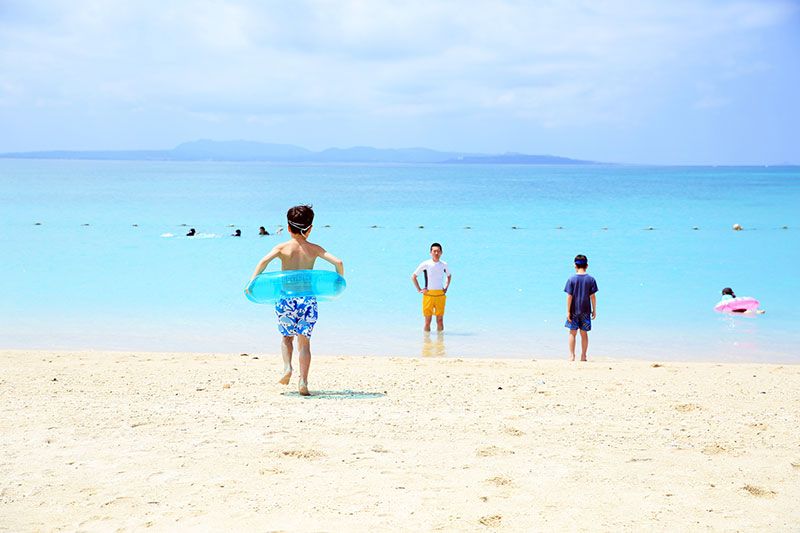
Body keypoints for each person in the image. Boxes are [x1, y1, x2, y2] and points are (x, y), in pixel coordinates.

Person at [246, 205, 344, 396]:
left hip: (286, 300)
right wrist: (338, 282)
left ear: (288, 228)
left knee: (286, 337)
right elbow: (338, 262)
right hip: (307, 300)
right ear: (310, 228)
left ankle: (287, 368)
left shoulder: (282, 248)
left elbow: (263, 262)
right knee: (305, 342)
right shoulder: (314, 249)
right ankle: (304, 382)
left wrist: (252, 283)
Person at [411, 242, 452, 332]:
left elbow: (449, 276)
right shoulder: (425, 264)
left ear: (441, 252)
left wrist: (446, 287)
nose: (436, 253)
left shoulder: (444, 264)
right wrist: (419, 290)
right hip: (428, 295)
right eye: (434, 251)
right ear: (431, 252)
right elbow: (414, 276)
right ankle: (426, 343)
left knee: (440, 320)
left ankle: (440, 343)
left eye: (438, 251)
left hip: (440, 295)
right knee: (427, 321)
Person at [564, 254, 598, 361]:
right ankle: (583, 356)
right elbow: (592, 296)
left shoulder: (571, 279)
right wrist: (594, 310)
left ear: (575, 265)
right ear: (587, 266)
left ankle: (571, 355)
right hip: (586, 310)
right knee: (584, 333)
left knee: (572, 332)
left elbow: (569, 296)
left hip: (574, 310)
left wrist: (568, 311)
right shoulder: (591, 279)